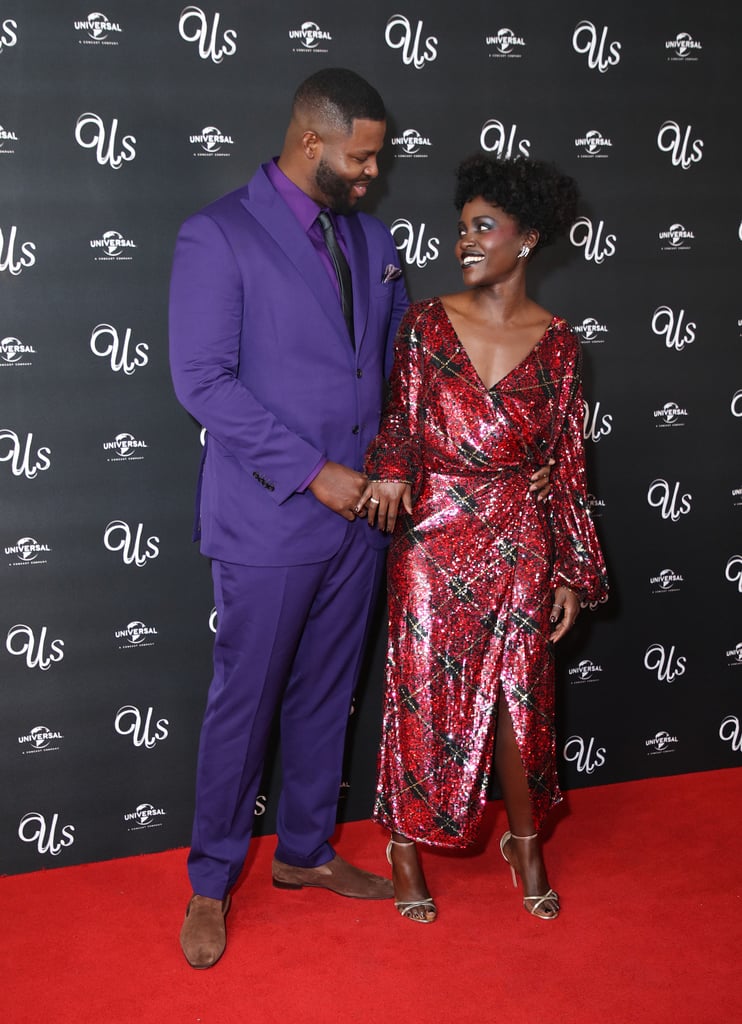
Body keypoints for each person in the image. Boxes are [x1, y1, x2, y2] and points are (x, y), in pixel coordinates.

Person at [169, 70, 552, 967]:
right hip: (271, 518)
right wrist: (314, 474)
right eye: (363, 156)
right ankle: (210, 879)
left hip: (363, 522)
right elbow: (202, 382)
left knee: (325, 697)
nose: (374, 174)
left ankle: (303, 853)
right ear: (313, 143)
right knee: (245, 704)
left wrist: (422, 469)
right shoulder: (217, 235)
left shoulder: (372, 240)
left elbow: (390, 378)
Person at [360, 155, 609, 923]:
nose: (465, 241)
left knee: (519, 702)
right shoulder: (426, 323)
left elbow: (568, 462)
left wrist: (570, 565)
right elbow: (400, 422)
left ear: (528, 237)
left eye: (483, 227)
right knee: (421, 692)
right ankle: (404, 843)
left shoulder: (561, 345)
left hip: (521, 536)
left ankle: (525, 841)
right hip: (435, 535)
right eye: (462, 227)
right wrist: (392, 475)